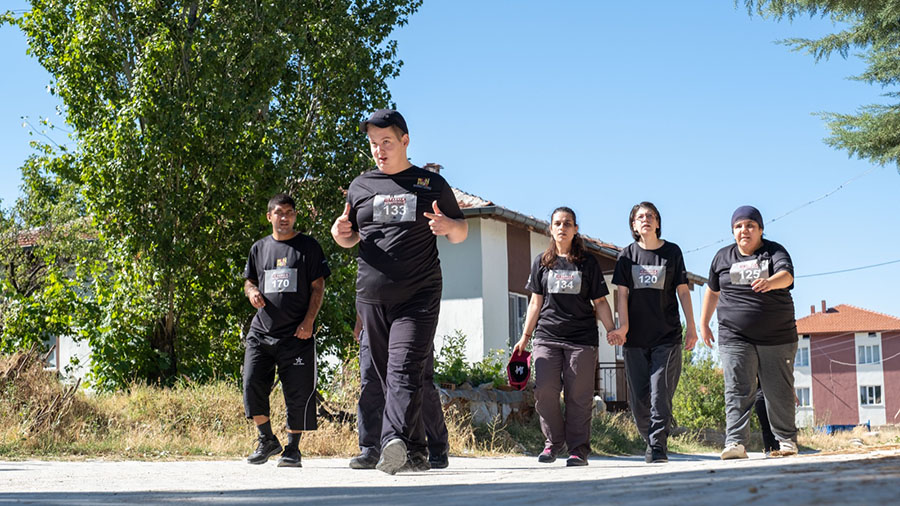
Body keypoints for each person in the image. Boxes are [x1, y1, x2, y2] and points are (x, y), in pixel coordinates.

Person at [331, 109, 467, 475]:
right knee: (379, 376)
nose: (379, 150)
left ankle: (392, 440)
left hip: (418, 294)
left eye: (386, 142)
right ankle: (415, 450)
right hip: (372, 296)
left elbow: (461, 231)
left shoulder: (430, 184)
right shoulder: (361, 185)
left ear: (405, 141)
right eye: (373, 144)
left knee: (404, 369)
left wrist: (448, 225)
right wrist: (339, 234)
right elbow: (350, 236)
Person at [513, 207, 615, 467]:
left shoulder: (587, 263)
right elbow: (535, 303)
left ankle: (578, 449)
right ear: (550, 229)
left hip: (581, 340)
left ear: (575, 229)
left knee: (578, 396)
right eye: (557, 223)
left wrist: (611, 329)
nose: (562, 227)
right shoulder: (542, 262)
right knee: (544, 391)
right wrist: (525, 337)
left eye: (567, 223)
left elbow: (601, 302)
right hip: (547, 336)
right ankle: (553, 442)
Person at [700, 205, 799, 460]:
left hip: (776, 336)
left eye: (750, 225)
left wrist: (770, 282)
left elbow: (787, 276)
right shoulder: (722, 257)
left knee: (778, 391)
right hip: (734, 335)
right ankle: (735, 443)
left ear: (760, 230)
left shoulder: (774, 251)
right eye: (739, 226)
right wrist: (703, 323)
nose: (744, 230)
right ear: (733, 231)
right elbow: (712, 291)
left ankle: (786, 441)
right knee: (737, 389)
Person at [242, 193, 330, 467]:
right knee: (251, 383)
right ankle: (267, 439)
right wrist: (252, 292)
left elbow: (318, 287)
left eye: (289, 212)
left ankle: (292, 449)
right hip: (262, 332)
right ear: (269, 216)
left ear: (295, 216)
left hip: (297, 335)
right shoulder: (259, 248)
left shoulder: (308, 247)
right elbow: (249, 281)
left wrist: (309, 321)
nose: (284, 217)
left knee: (298, 393)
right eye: (279, 212)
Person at [611, 202, 697, 464]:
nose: (645, 219)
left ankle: (658, 446)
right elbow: (621, 294)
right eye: (640, 217)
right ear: (634, 225)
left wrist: (692, 327)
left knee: (660, 393)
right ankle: (650, 439)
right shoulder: (626, 256)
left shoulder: (672, 252)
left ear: (658, 222)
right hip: (635, 340)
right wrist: (623, 327)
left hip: (666, 337)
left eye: (650, 216)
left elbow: (683, 291)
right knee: (639, 401)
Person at [351, 314, 450, 470]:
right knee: (371, 384)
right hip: (373, 323)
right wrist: (360, 320)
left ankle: (436, 447)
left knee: (420, 384)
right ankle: (370, 450)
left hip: (410, 322)